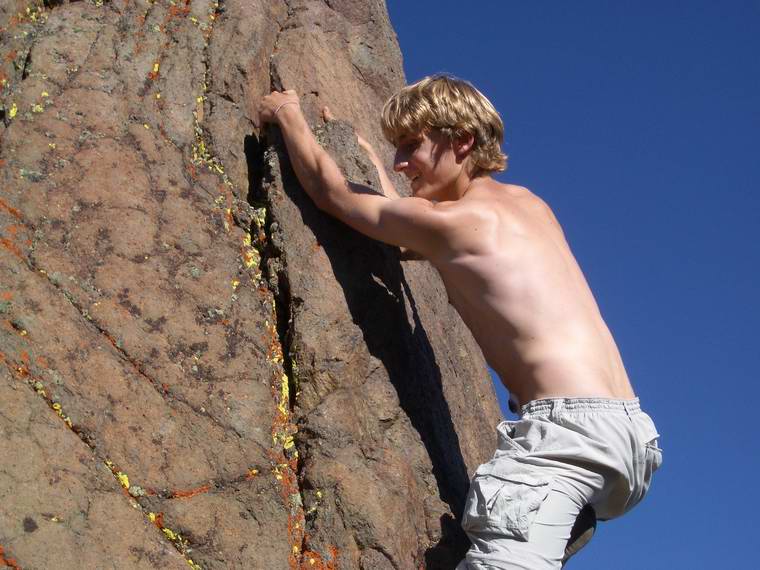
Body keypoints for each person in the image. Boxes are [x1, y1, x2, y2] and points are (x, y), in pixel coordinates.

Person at [257, 75, 661, 569]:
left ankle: (538, 515)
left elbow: (333, 195)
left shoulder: (457, 225)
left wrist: (288, 113)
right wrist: (374, 160)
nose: (400, 163)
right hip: (631, 441)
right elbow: (409, 233)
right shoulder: (530, 206)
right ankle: (554, 516)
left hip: (564, 438)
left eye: (411, 146)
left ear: (462, 140)